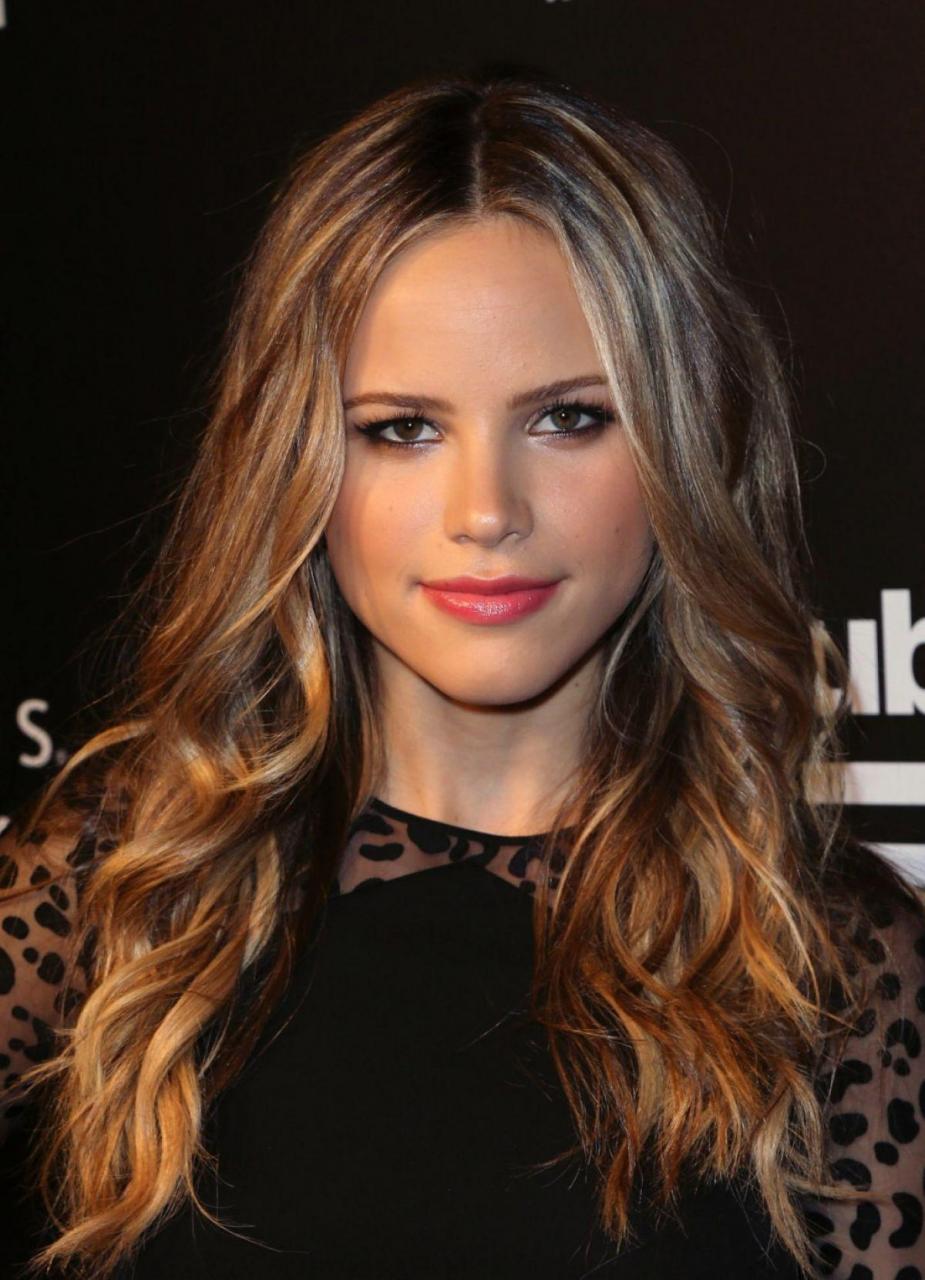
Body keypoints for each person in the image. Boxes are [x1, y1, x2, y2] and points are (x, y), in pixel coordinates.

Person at [0, 69, 922, 1280]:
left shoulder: (832, 962)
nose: (486, 510)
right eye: (402, 427)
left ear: (680, 443)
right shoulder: (121, 884)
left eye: (567, 418)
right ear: (295, 460)